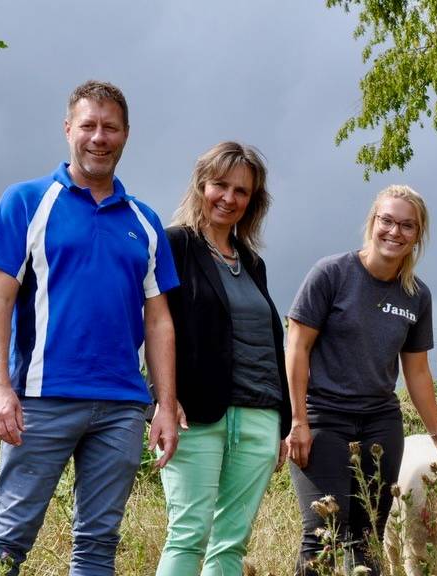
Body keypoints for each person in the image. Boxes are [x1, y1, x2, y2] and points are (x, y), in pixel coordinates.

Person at [0, 80, 180, 575]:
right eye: (89, 126)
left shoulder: (145, 221)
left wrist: (166, 405)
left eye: (111, 128)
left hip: (122, 407)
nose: (99, 137)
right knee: (7, 540)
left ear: (125, 135)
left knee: (98, 544)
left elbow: (159, 320)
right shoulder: (27, 201)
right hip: (41, 398)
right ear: (68, 129)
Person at [285, 185, 437, 575]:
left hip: (380, 424)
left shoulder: (417, 295)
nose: (395, 232)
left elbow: (417, 371)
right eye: (387, 221)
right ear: (372, 222)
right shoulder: (332, 274)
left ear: (418, 235)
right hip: (324, 418)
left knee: (366, 539)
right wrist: (297, 421)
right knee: (324, 533)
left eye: (407, 225)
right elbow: (296, 347)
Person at [156, 142, 290, 575]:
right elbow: (154, 325)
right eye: (220, 185)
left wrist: (283, 422)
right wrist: (162, 398)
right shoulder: (174, 245)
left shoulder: (252, 263)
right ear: (201, 185)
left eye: (241, 191)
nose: (229, 198)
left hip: (259, 416)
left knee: (231, 543)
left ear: (253, 201)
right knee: (188, 533)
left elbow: (269, 341)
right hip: (194, 415)